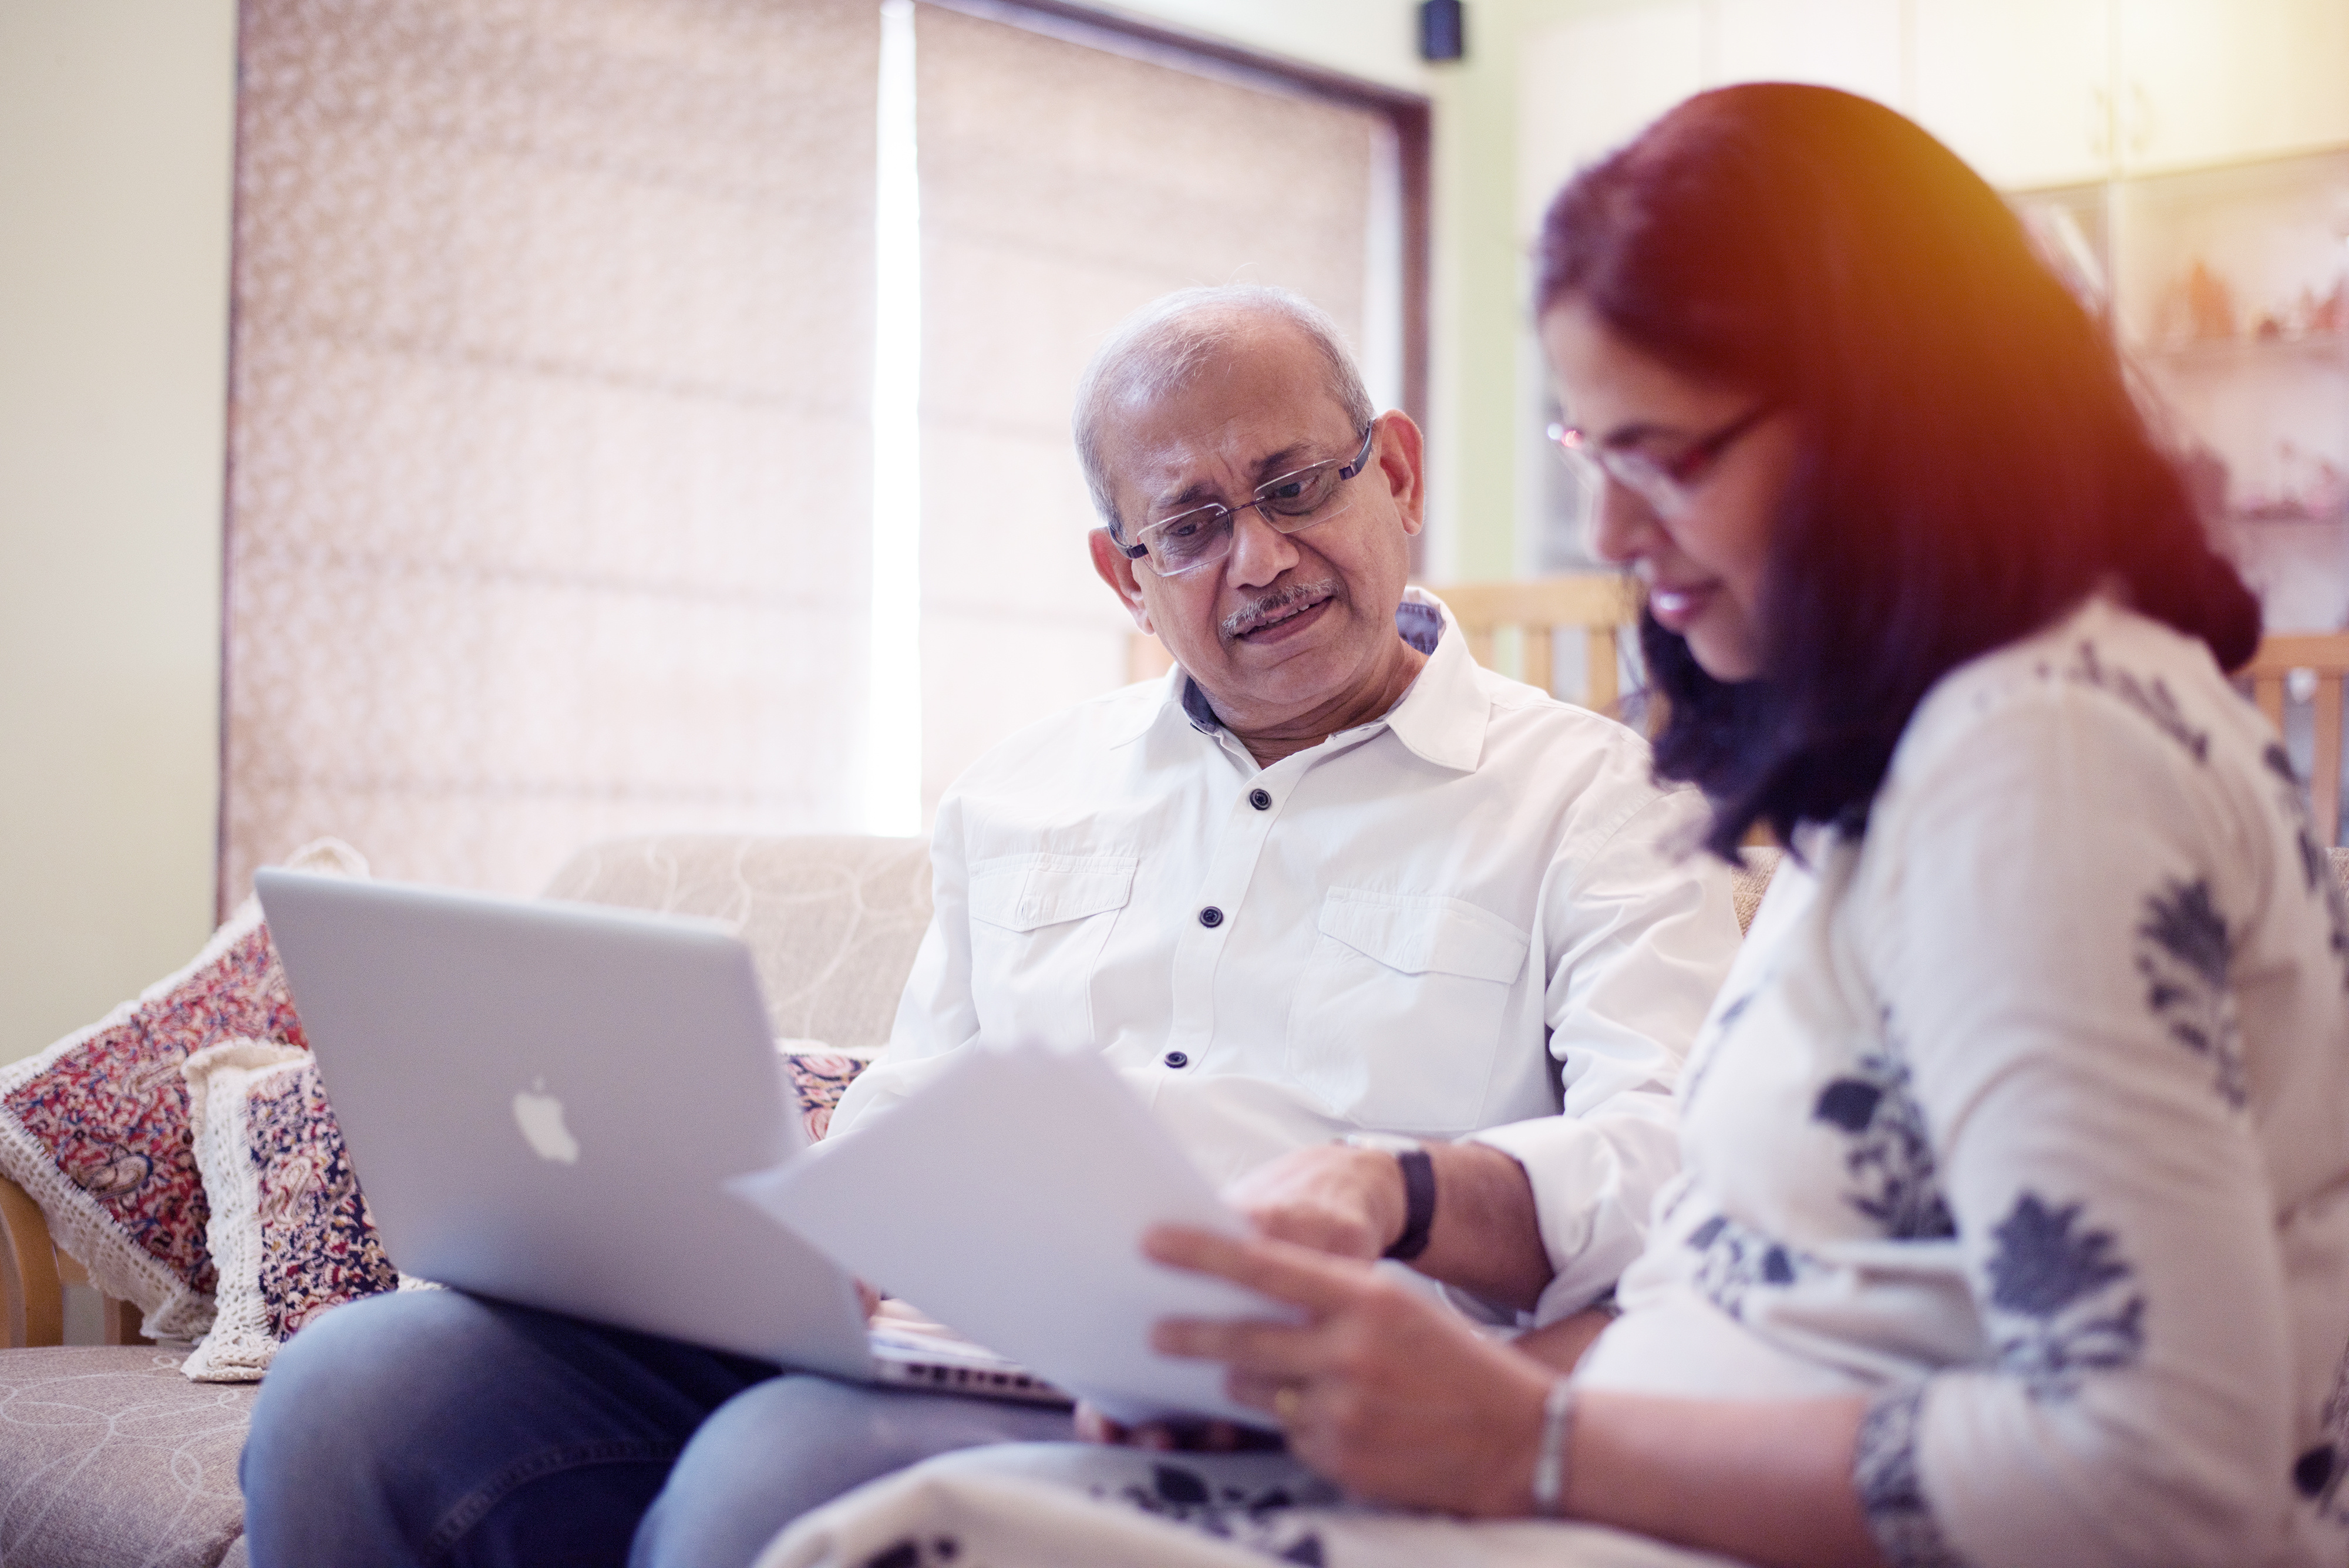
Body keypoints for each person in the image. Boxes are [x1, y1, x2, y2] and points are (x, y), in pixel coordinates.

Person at [749, 84, 2349, 1568]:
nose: (1606, 530)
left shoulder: (2038, 764)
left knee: (847, 1524)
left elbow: (2167, 1479)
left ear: (1899, 416)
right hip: (1576, 1466)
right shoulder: (1971, 735)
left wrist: (1531, 1435)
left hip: (1613, 1498)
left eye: (1668, 452)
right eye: (1595, 449)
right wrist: (1404, 1292)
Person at [238, 284, 1744, 1568]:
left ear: (1394, 474)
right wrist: (806, 1229)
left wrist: (1396, 1185)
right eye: (1193, 524)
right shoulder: (1017, 792)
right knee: (358, 1385)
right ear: (1124, 574)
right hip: (950, 1338)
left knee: (782, 1469)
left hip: (1276, 1399)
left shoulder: (1604, 798)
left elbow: (1677, 1165)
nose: (1264, 561)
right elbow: (909, 1110)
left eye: (1295, 488)